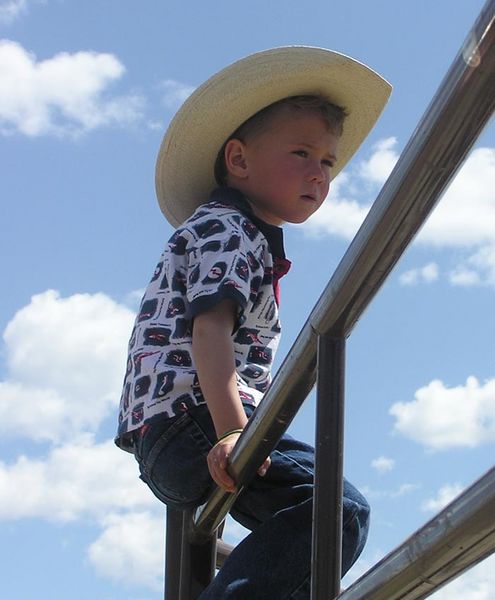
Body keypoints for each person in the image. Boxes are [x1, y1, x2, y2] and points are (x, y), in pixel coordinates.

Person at [116, 46, 391, 598]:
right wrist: (232, 430)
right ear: (239, 161)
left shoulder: (221, 228)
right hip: (196, 420)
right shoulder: (230, 229)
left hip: (164, 435)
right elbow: (208, 330)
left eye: (328, 162)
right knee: (336, 508)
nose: (319, 174)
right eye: (302, 153)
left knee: (295, 526)